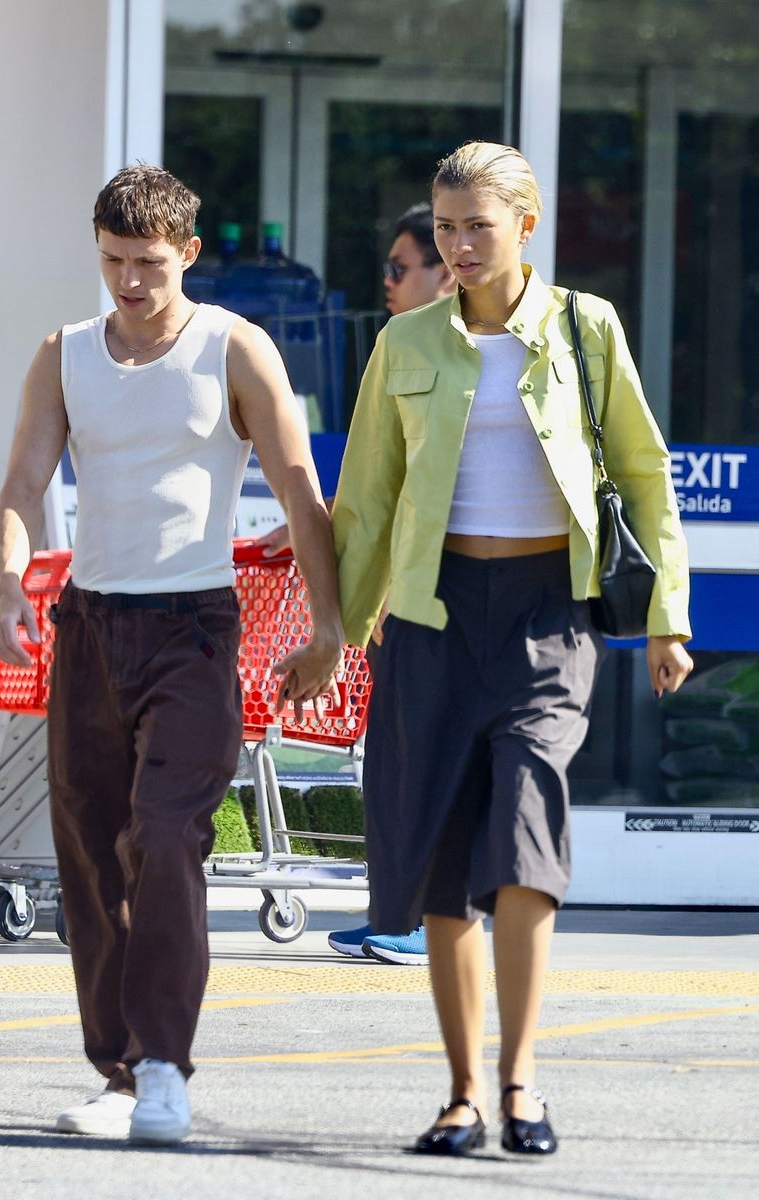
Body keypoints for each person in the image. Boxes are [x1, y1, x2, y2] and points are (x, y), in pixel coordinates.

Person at [331, 141, 693, 1158]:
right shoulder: (406, 343)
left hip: (547, 613)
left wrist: (667, 615)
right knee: (441, 861)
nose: (455, 245)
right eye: (443, 227)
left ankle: (522, 1083)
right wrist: (337, 631)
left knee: (527, 835)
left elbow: (643, 470)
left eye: (475, 227)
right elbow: (365, 503)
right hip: (432, 617)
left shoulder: (583, 327)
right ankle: (460, 1094)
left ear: (525, 227)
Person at [0, 165, 343, 1145]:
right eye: (112, 262)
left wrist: (329, 627)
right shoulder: (62, 354)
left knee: (165, 837)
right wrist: (7, 587)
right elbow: (22, 482)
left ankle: (162, 1069)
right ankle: (115, 1072)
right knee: (91, 851)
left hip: (194, 628)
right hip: (89, 627)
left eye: (148, 263)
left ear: (187, 253)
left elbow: (300, 485)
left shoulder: (235, 348)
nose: (129, 283)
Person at [254, 202, 455, 967]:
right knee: (400, 760)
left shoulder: (488, 354)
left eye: (402, 267)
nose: (389, 282)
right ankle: (402, 918)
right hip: (409, 596)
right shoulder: (406, 351)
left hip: (456, 594)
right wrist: (323, 524)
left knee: (424, 762)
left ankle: (422, 922)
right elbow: (383, 487)